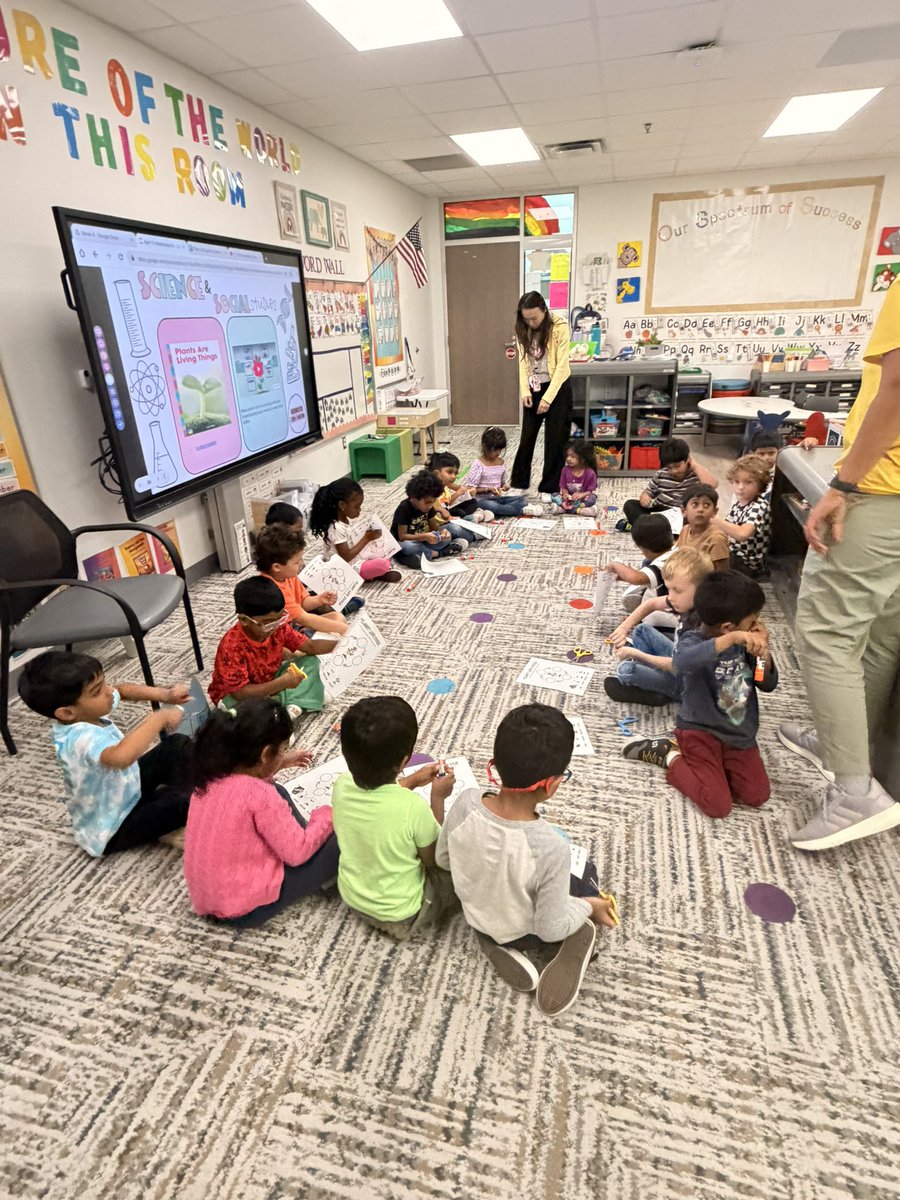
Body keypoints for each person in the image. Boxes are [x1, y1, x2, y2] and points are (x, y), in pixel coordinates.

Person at [783, 278, 900, 851]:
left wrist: (845, 482)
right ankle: (844, 749)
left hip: (881, 493)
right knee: (876, 631)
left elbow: (896, 387)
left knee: (827, 634)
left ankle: (855, 791)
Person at [436, 704, 618, 1017]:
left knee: (510, 886)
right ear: (551, 785)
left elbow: (443, 860)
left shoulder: (465, 802)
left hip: (477, 913)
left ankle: (491, 940)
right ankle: (572, 937)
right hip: (528, 932)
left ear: (496, 764)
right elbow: (548, 927)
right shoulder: (549, 849)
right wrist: (590, 905)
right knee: (584, 870)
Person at [623, 572, 777, 820]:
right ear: (728, 627)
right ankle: (669, 755)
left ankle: (716, 767)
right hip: (699, 730)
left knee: (756, 796)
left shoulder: (746, 642)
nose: (757, 625)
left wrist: (764, 654)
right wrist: (732, 640)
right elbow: (682, 662)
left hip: (739, 734)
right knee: (718, 806)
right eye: (753, 621)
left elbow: (766, 682)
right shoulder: (691, 641)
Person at [17, 650, 191, 856]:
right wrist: (157, 719)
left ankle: (180, 800)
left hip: (125, 788)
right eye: (98, 690)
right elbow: (120, 758)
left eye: (104, 683)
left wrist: (165, 695)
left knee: (176, 744)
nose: (109, 691)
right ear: (66, 712)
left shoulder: (84, 712)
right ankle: (176, 822)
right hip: (113, 826)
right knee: (183, 800)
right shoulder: (79, 738)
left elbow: (122, 690)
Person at [184, 700, 338, 926]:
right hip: (246, 909)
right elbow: (297, 853)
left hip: (207, 897)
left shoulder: (209, 777)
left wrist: (281, 762)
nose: (284, 754)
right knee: (339, 840)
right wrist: (326, 815)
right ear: (265, 753)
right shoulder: (258, 795)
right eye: (283, 750)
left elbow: (246, 789)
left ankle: (305, 839)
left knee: (278, 790)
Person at [331, 696, 458, 939]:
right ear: (403, 761)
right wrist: (438, 797)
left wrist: (411, 781)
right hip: (402, 914)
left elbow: (381, 804)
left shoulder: (342, 785)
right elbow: (435, 861)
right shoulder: (412, 808)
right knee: (460, 865)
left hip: (352, 896)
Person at [604, 547, 713, 706]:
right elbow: (651, 603)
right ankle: (655, 683)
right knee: (642, 630)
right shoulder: (688, 600)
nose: (670, 596)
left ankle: (658, 691)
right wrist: (623, 627)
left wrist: (637, 654)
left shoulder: (701, 626)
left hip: (689, 684)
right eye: (669, 589)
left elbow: (676, 665)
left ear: (702, 589)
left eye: (677, 590)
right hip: (678, 659)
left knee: (626, 670)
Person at [208, 576, 328, 714]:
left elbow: (310, 646)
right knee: (233, 708)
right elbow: (240, 693)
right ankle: (295, 699)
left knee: (310, 661)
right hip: (236, 694)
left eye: (280, 618)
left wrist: (345, 642)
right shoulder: (232, 646)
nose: (275, 626)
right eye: (268, 622)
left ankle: (287, 704)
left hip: (268, 678)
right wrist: (282, 683)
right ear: (243, 620)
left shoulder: (278, 626)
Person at [510, 292, 574, 495]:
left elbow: (562, 366)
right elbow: (522, 362)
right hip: (534, 387)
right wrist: (524, 390)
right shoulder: (522, 327)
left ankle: (549, 487)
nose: (530, 322)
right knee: (526, 438)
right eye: (526, 318)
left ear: (544, 311)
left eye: (534, 318)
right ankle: (519, 484)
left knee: (555, 441)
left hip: (558, 387)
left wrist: (548, 398)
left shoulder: (560, 326)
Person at [254, 523, 349, 636]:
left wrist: (320, 599)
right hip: (283, 635)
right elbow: (305, 619)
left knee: (338, 618)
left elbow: (303, 603)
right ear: (277, 567)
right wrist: (345, 630)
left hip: (296, 623)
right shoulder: (272, 591)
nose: (302, 564)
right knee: (335, 629)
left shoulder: (288, 575)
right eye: (296, 562)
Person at [308, 477, 401, 584]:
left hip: (354, 558)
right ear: (342, 505)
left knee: (384, 553)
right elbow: (346, 557)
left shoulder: (343, 520)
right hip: (344, 567)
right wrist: (366, 538)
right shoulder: (336, 528)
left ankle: (374, 573)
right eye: (356, 507)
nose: (360, 510)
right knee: (382, 564)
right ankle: (373, 574)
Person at [619, 439, 718, 531]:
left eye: (677, 466)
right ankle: (654, 529)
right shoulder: (661, 474)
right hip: (662, 511)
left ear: (688, 459)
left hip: (682, 514)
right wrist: (645, 497)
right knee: (630, 505)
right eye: (669, 468)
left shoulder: (697, 473)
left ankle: (648, 529)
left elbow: (712, 485)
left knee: (696, 520)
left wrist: (695, 465)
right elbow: (648, 492)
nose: (674, 471)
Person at [390, 470, 469, 568]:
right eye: (427, 502)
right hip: (409, 541)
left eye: (433, 502)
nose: (430, 506)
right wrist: (423, 536)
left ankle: (423, 555)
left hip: (425, 540)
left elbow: (435, 528)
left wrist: (443, 533)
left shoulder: (429, 507)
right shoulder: (404, 507)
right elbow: (402, 536)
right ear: (413, 497)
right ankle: (440, 553)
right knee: (407, 547)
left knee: (451, 529)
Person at [711, 454, 772, 577]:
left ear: (760, 485)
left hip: (747, 563)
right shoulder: (739, 503)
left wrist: (713, 519)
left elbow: (742, 534)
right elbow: (726, 528)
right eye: (736, 482)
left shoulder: (760, 506)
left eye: (748, 482)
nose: (740, 487)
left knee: (706, 567)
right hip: (734, 552)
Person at [605, 513, 675, 612]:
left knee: (649, 619)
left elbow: (637, 578)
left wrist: (615, 565)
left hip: (673, 610)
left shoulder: (665, 563)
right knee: (647, 563)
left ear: (644, 549)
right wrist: (623, 577)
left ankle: (644, 601)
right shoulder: (675, 551)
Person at [466, 427, 541, 519]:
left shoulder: (501, 463)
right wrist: (488, 489)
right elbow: (470, 490)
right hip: (481, 500)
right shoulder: (478, 464)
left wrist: (505, 486)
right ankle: (522, 511)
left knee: (523, 499)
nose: (498, 453)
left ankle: (500, 511)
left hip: (497, 498)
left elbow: (502, 483)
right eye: (495, 450)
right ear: (485, 446)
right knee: (491, 506)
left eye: (500, 450)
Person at [678, 484, 730, 571]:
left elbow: (722, 576)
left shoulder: (716, 538)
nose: (700, 509)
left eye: (706, 505)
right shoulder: (685, 529)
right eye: (695, 504)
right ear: (684, 511)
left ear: (714, 512)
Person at [427, 450, 483, 521]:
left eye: (456, 473)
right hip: (441, 519)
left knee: (473, 502)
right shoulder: (431, 489)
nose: (454, 476)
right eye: (449, 472)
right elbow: (444, 504)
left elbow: (456, 491)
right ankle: (469, 518)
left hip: (447, 510)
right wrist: (457, 493)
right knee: (460, 514)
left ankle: (472, 517)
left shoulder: (445, 484)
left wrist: (469, 491)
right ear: (436, 473)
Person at [550, 439, 599, 515]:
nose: (568, 458)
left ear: (583, 459)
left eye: (572, 457)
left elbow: (589, 491)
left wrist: (581, 495)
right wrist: (565, 494)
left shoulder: (590, 473)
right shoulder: (565, 470)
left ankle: (564, 509)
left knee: (592, 498)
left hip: (581, 499)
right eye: (567, 456)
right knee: (554, 496)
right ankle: (579, 510)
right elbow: (564, 487)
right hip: (568, 499)